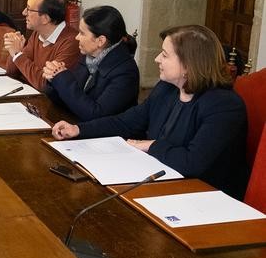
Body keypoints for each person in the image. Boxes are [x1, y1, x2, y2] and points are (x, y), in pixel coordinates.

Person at [52, 25, 248, 199]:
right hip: (158, 178)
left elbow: (192, 162)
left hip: (201, 196)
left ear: (188, 65)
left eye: (164, 54)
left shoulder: (224, 106)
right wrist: (78, 129)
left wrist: (151, 145)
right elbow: (127, 122)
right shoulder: (167, 88)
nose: (156, 59)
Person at [42, 6, 139, 121]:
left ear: (100, 41)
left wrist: (63, 79)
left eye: (82, 33)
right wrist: (54, 78)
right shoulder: (88, 56)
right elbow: (71, 102)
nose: (77, 37)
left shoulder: (125, 72)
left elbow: (95, 114)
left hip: (108, 136)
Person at [3, 0, 80, 91]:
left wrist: (17, 55)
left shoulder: (71, 42)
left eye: (29, 9)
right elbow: (12, 72)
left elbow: (45, 85)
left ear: (45, 18)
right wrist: (16, 51)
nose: (24, 12)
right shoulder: (37, 34)